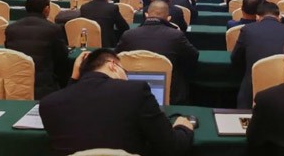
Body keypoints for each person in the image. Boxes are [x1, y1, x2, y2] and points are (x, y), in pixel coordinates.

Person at [39, 48, 194, 156]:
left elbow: (71, 103)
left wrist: (74, 78)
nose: (126, 77)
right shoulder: (136, 91)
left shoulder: (48, 104)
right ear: (112, 65)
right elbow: (171, 148)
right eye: (125, 71)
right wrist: (183, 127)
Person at [116, 0, 199, 105]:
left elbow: (115, 58)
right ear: (168, 18)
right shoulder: (176, 35)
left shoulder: (128, 35)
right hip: (171, 94)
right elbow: (193, 56)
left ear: (146, 15)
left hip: (131, 90)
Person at [231, 1, 284, 108]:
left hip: (252, 93)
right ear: (279, 17)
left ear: (257, 17)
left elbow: (235, 58)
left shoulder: (248, 30)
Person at [5, 0, 68, 99]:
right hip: (44, 86)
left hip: (15, 84)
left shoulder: (11, 28)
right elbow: (62, 56)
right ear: (46, 9)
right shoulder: (53, 29)